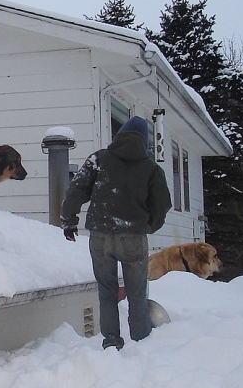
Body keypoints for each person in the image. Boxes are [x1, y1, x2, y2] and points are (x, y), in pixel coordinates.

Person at [61, 116, 171, 350]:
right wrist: (149, 226)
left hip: (100, 235)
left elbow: (75, 191)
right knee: (137, 292)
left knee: (107, 291)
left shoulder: (99, 159)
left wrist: (69, 222)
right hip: (133, 237)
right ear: (145, 141)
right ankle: (141, 340)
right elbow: (162, 205)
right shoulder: (151, 168)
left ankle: (111, 340)